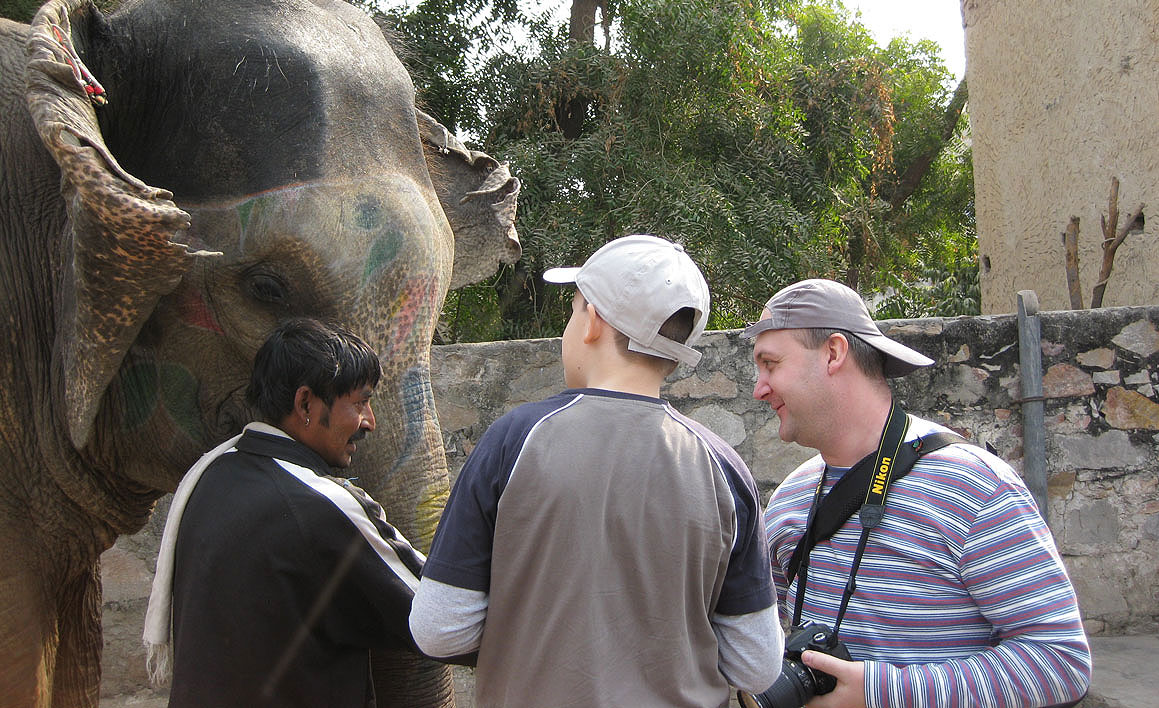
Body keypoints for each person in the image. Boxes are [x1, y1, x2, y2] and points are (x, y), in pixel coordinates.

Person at [409, 234, 784, 706]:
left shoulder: (514, 439)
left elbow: (438, 630)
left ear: (593, 321)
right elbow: (757, 664)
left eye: (572, 310)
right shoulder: (724, 468)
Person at [742, 278, 1091, 708]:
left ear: (833, 353)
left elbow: (1061, 661)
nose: (759, 388)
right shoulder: (789, 501)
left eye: (770, 364)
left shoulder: (972, 487)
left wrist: (877, 692)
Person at [142, 318, 425, 708]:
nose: (369, 422)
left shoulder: (210, 477)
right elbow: (436, 613)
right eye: (360, 402)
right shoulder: (321, 504)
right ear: (305, 403)